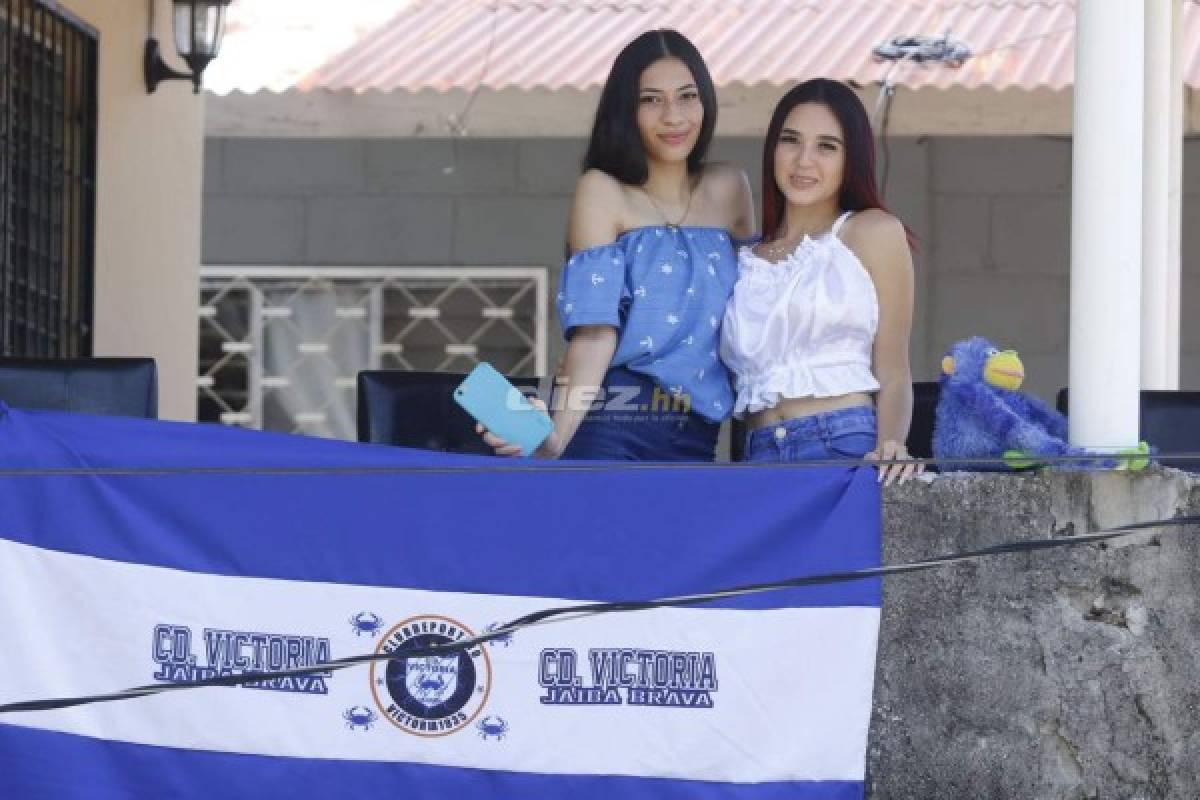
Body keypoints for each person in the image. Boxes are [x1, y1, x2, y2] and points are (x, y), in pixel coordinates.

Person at [482, 29, 754, 461]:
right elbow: (595, 334)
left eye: (687, 96)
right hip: (614, 426)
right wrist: (554, 438)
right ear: (627, 110)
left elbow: (752, 322)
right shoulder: (602, 190)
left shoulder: (731, 188)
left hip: (699, 436)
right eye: (651, 100)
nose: (673, 115)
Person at [720, 79, 921, 485]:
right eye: (791, 141)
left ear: (852, 160)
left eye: (826, 146)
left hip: (842, 445)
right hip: (756, 453)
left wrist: (891, 444)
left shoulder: (872, 232)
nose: (803, 161)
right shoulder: (743, 261)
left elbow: (895, 371)